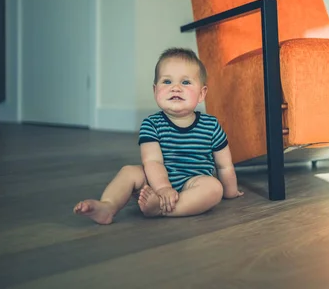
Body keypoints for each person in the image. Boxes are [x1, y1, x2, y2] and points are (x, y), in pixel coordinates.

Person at [73, 47, 243, 225]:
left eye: (185, 82)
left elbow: (224, 166)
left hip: (192, 183)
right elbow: (153, 161)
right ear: (155, 91)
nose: (175, 88)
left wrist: (230, 192)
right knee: (129, 172)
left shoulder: (211, 126)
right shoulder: (152, 124)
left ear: (201, 93)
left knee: (213, 188)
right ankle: (108, 206)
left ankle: (163, 209)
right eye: (167, 81)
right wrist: (162, 188)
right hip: (155, 181)